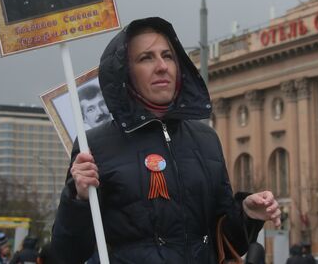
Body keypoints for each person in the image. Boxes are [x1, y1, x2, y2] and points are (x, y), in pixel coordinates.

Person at [51, 17, 282, 263]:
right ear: (125, 72)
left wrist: (246, 213)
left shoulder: (206, 139)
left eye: (168, 56)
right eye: (146, 58)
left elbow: (227, 240)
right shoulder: (94, 145)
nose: (162, 66)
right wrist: (78, 199)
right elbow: (67, 253)